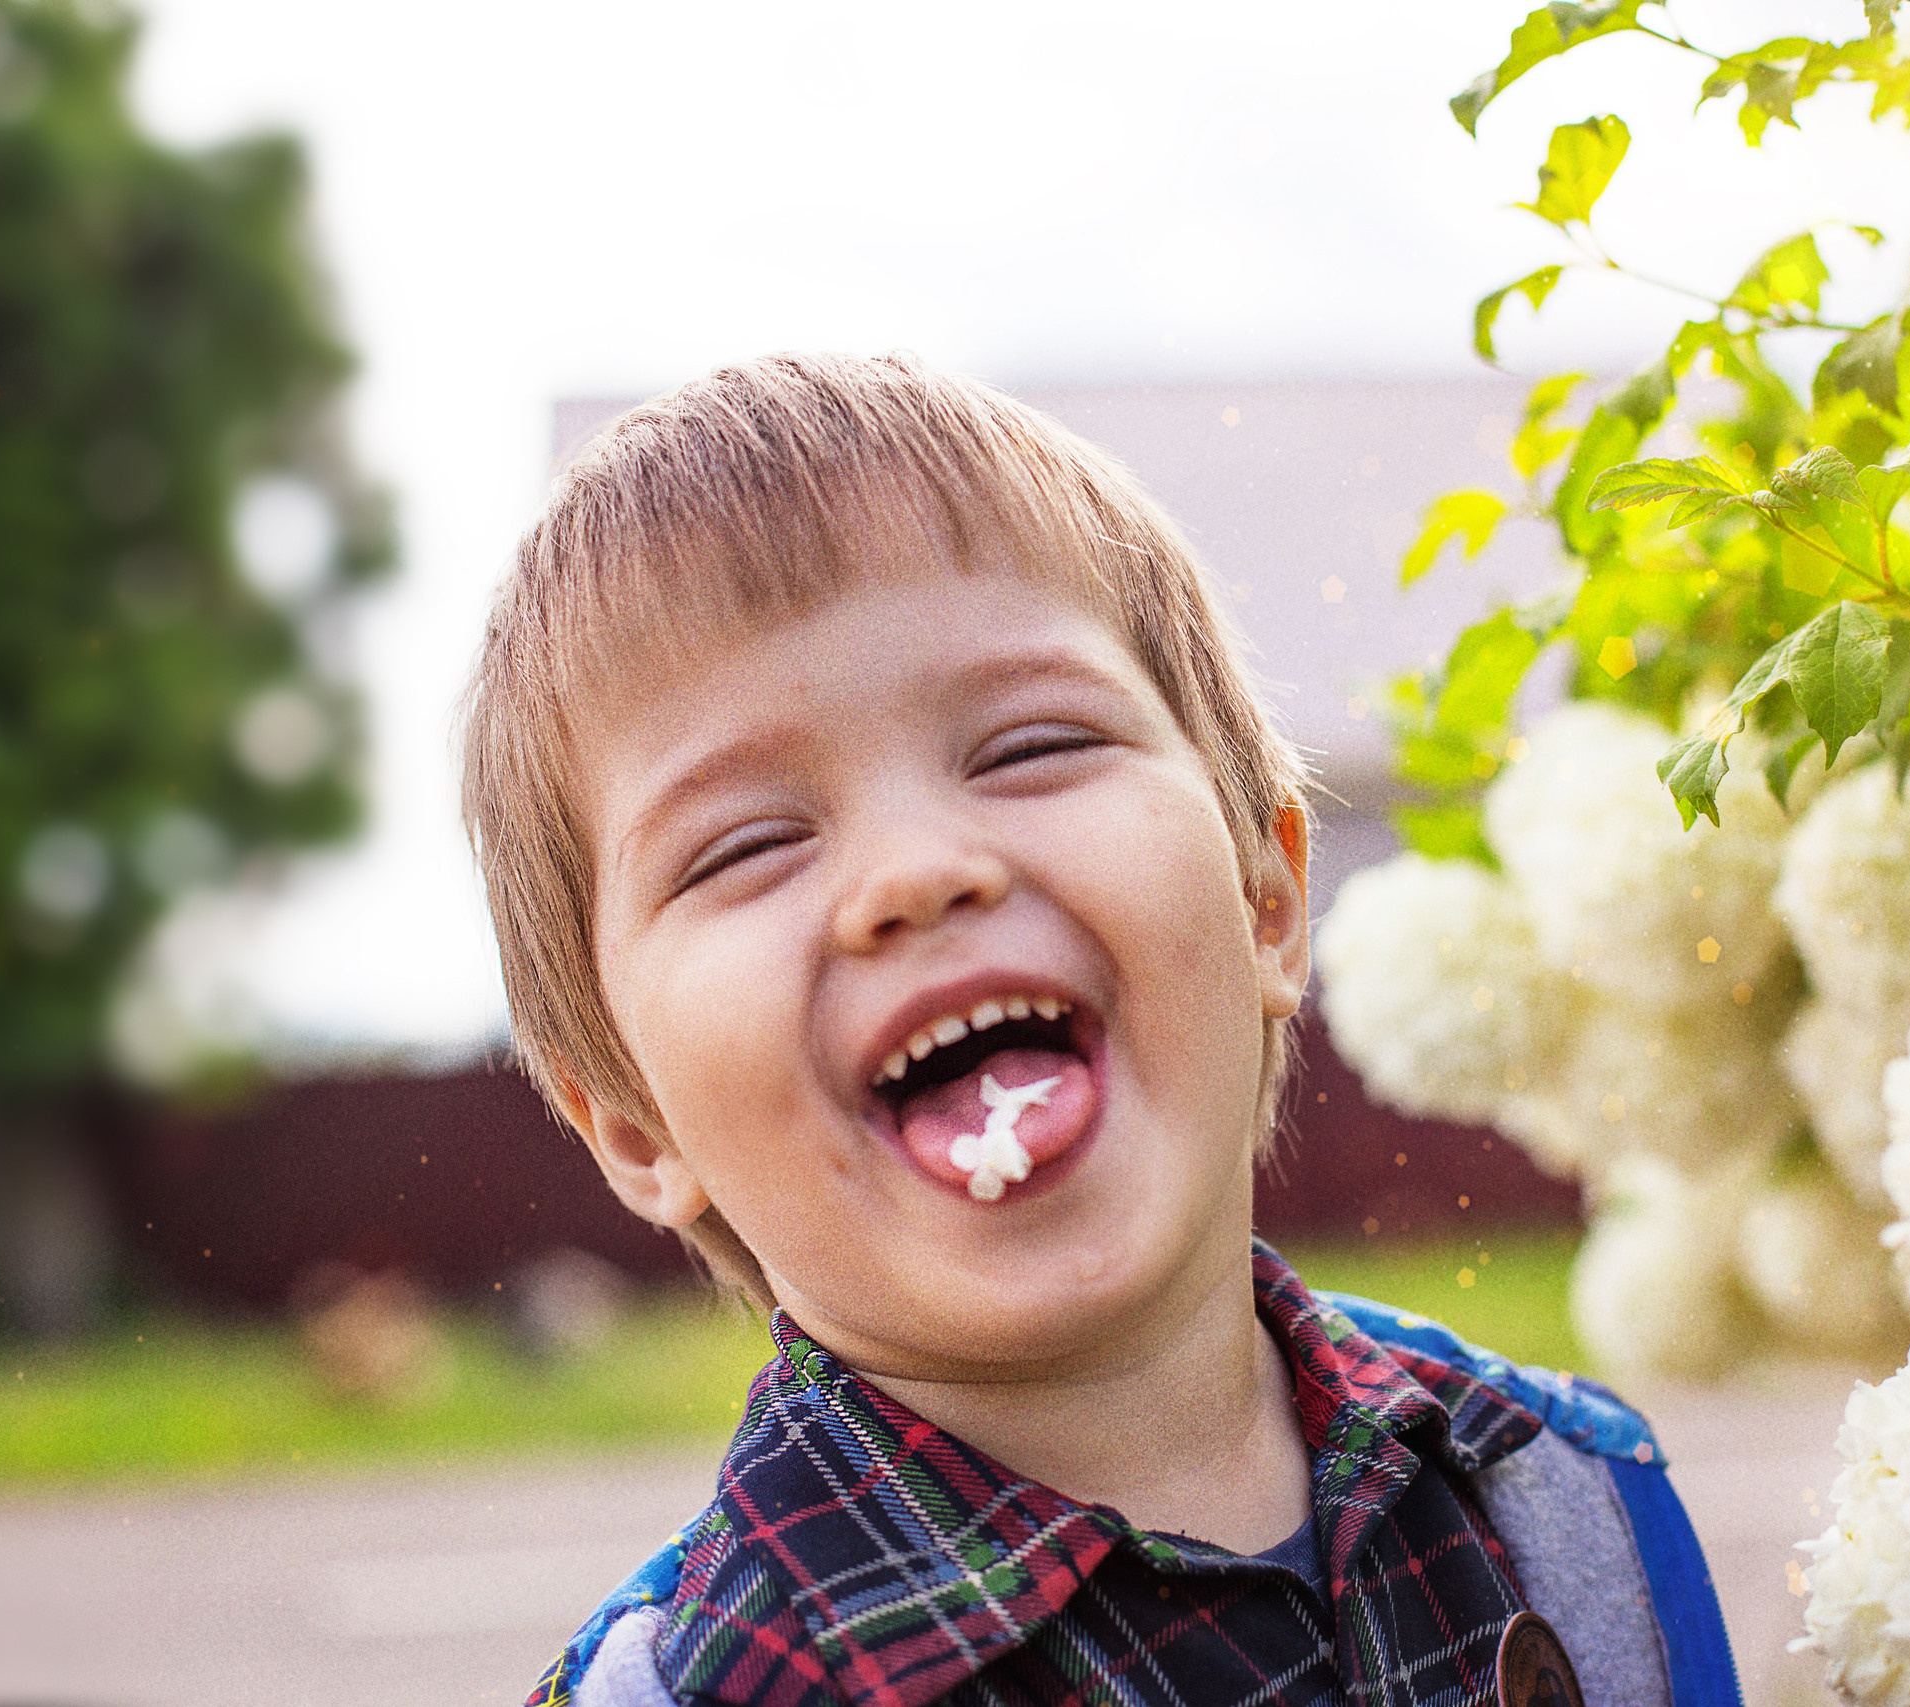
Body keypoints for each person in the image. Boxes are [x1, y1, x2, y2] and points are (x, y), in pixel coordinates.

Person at [460, 352, 1741, 1707]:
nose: (916, 872)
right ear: (633, 1119)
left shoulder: (1568, 1513)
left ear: (1266, 904)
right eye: (748, 845)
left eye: (1027, 747)